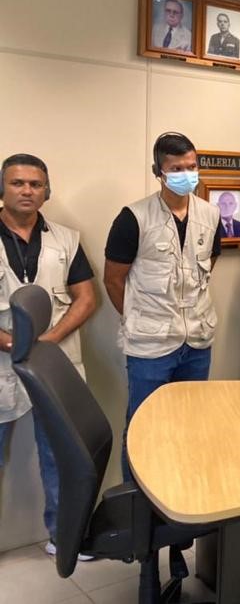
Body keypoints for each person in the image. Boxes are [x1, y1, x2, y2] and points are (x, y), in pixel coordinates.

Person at [103, 132, 222, 479]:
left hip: (197, 342)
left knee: (190, 425)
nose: (187, 174)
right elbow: (114, 280)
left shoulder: (211, 214)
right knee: (143, 429)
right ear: (159, 172)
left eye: (192, 166)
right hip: (150, 347)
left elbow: (207, 266)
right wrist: (141, 318)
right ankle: (137, 505)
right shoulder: (133, 217)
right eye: (176, 168)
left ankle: (181, 497)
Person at [0, 154, 98, 559]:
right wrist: (12, 344)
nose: (27, 191)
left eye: (36, 184)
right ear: (2, 188)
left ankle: (64, 536)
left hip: (55, 364)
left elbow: (86, 298)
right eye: (18, 183)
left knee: (61, 455)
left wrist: (47, 340)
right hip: (2, 365)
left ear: (47, 191)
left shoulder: (66, 239)